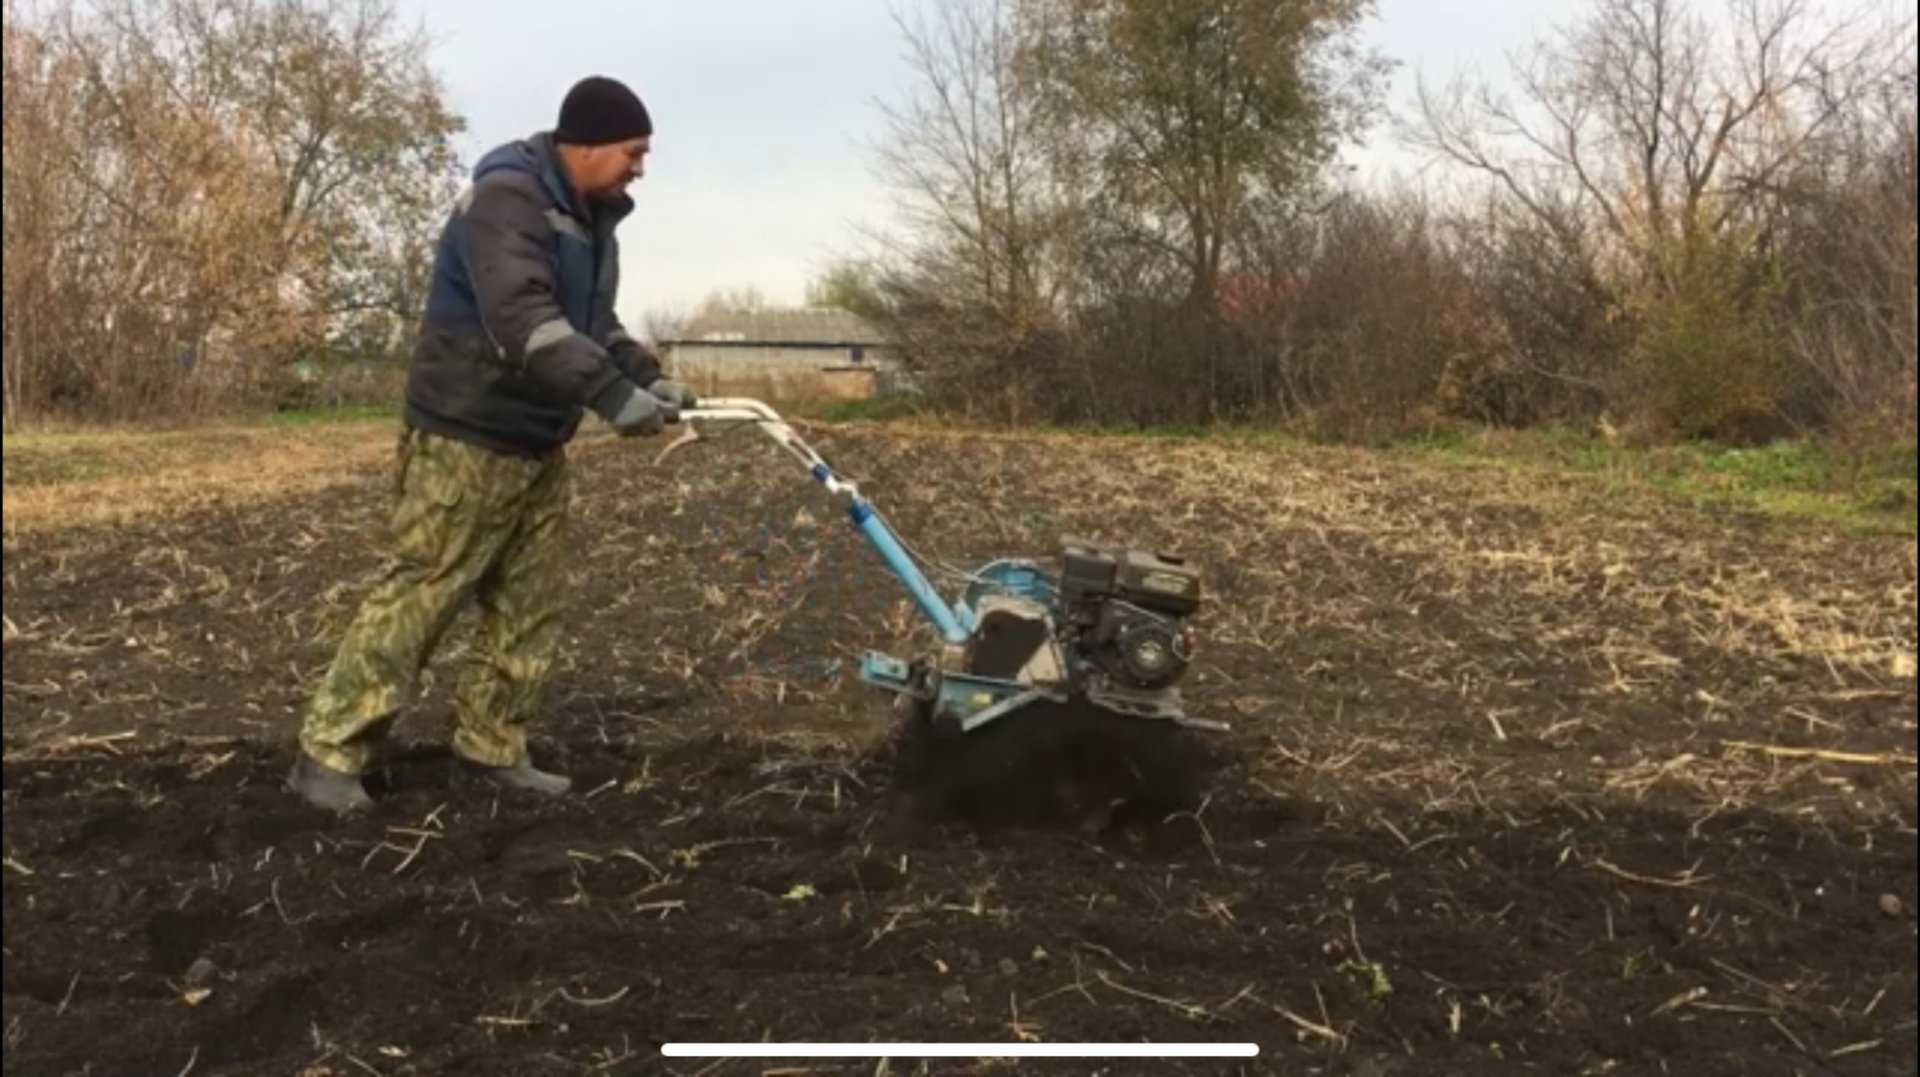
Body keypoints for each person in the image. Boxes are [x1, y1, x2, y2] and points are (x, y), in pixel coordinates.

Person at [286, 75, 694, 813]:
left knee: (528, 606)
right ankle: (329, 753)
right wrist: (607, 396)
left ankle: (490, 748)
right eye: (634, 151)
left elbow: (590, 322)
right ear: (589, 144)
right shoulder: (508, 200)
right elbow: (522, 321)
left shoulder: (590, 220)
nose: (640, 168)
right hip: (466, 435)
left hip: (537, 440)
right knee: (420, 595)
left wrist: (645, 376)